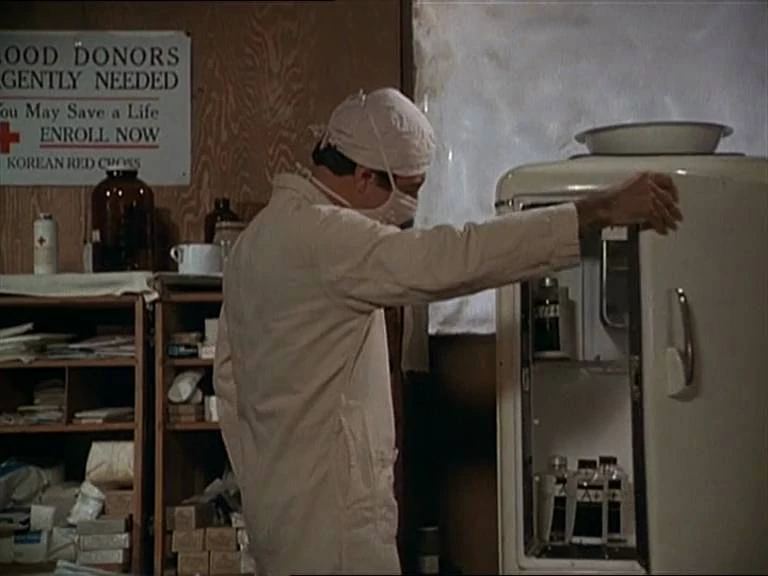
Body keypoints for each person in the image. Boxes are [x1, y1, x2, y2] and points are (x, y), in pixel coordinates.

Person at [213, 87, 681, 575]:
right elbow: (451, 257)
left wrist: (264, 486)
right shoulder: (326, 236)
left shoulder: (254, 242)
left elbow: (228, 383)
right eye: (409, 189)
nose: (411, 207)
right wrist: (594, 211)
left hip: (279, 524)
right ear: (365, 177)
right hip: (335, 538)